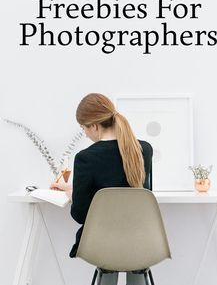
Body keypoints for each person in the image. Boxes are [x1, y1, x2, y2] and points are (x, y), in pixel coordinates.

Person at [50, 93, 153, 285]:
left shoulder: (86, 158)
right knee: (133, 251)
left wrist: (74, 195)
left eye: (83, 128)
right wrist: (76, 187)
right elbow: (138, 195)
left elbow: (80, 215)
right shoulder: (143, 150)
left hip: (102, 243)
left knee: (110, 246)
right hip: (143, 240)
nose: (85, 134)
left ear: (94, 126)